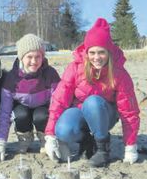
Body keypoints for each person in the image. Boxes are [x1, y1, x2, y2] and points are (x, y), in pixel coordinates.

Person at [44, 18, 140, 166]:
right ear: (86, 52)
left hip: (104, 114)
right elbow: (59, 100)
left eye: (101, 52)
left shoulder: (119, 73)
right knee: (63, 130)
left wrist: (130, 146)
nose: (96, 58)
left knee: (93, 101)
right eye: (92, 52)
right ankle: (87, 141)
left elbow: (129, 112)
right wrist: (50, 136)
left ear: (109, 52)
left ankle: (102, 149)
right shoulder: (75, 68)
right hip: (81, 111)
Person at [0, 35, 62, 160]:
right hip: (22, 108)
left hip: (43, 107)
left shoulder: (50, 74)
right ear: (21, 57)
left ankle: (44, 139)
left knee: (41, 115)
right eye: (29, 57)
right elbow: (5, 112)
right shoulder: (11, 79)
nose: (34, 61)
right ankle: (25, 138)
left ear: (43, 57)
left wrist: (51, 137)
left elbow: (57, 105)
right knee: (21, 114)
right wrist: (0, 143)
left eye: (38, 57)